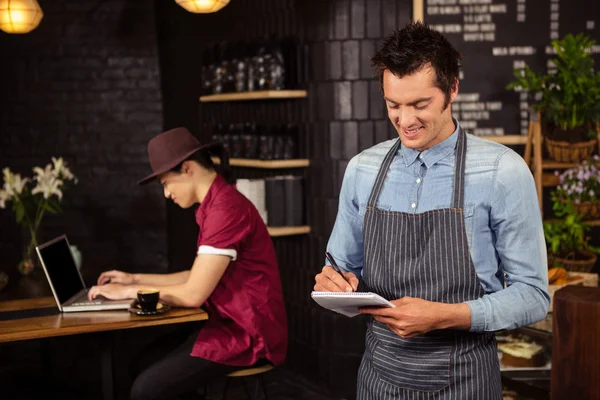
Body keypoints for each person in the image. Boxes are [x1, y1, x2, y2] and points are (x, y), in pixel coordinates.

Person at [313, 22, 549, 399]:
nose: (405, 121)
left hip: (465, 380)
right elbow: (342, 268)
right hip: (379, 378)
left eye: (419, 104)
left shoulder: (502, 171)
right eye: (394, 105)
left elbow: (533, 296)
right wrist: (334, 285)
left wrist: (444, 316)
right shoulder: (362, 169)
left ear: (452, 89)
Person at [88, 127, 287, 400]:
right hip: (226, 322)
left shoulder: (225, 210)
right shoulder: (215, 204)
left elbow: (194, 294)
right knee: (138, 365)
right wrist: (133, 279)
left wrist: (127, 293)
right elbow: (195, 276)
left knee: (146, 390)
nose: (167, 194)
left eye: (165, 183)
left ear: (188, 169)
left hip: (247, 331)